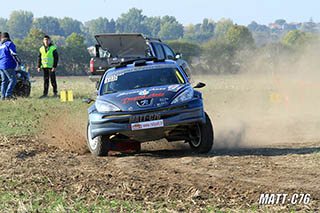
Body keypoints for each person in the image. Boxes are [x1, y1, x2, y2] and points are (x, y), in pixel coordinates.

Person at [0, 32, 21, 100]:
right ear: (8, 37)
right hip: (8, 64)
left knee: (4, 81)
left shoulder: (0, 45)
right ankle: (8, 95)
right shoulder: (9, 44)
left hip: (1, 65)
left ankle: (3, 97)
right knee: (13, 80)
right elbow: (13, 53)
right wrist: (18, 62)